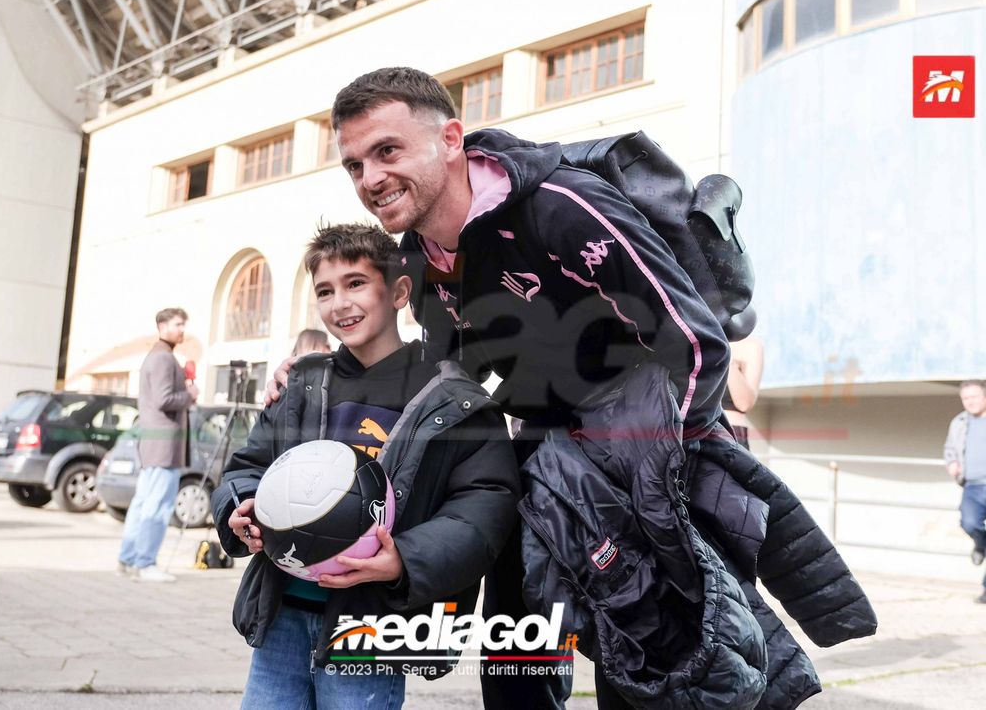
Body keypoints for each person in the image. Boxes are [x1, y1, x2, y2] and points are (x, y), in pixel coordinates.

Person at [267, 68, 876, 709]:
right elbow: (451, 379)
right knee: (515, 662)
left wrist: (658, 472)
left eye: (387, 151)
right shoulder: (420, 258)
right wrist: (322, 372)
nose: (370, 179)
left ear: (450, 139)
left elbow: (695, 341)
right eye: (355, 165)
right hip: (542, 462)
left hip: (647, 451)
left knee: (652, 671)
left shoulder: (560, 204)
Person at [212, 224, 519, 710]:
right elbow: (246, 468)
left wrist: (405, 560)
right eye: (325, 291)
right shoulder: (301, 384)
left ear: (398, 291)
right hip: (282, 612)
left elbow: (486, 506)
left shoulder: (454, 399)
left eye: (356, 283)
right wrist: (240, 508)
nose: (340, 304)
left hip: (371, 626)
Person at [117, 307, 199, 582]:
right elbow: (165, 400)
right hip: (164, 445)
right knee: (157, 505)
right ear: (162, 327)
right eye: (177, 324)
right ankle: (145, 563)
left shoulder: (156, 356)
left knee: (143, 503)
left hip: (154, 443)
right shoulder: (164, 359)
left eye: (183, 325)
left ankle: (129, 559)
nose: (181, 330)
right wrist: (189, 394)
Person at [944, 379, 986, 603]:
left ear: (984, 396)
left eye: (974, 397)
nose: (970, 402)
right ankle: (981, 544)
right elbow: (950, 448)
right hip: (972, 485)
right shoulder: (959, 422)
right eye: (966, 398)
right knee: (969, 523)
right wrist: (951, 463)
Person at [723, 335, 764, 449]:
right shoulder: (696, 339)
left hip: (729, 436)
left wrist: (729, 362)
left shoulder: (749, 346)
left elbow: (744, 404)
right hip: (692, 434)